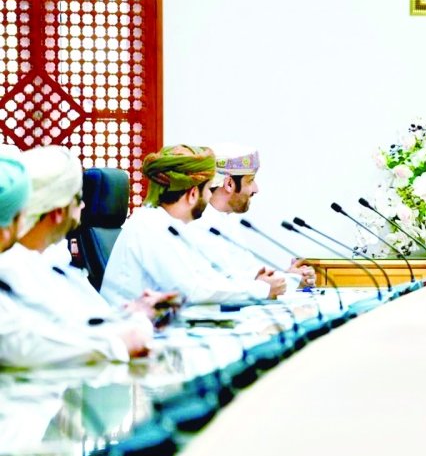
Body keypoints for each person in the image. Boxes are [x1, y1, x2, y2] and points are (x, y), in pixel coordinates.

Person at [0, 150, 147, 367]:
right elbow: (18, 344)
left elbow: (72, 321)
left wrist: (127, 317)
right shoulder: (12, 267)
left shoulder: (47, 258)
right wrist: (115, 344)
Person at [101, 144, 286, 307]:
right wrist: (261, 289)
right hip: (134, 330)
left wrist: (256, 283)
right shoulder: (151, 226)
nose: (209, 197)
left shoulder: (171, 225)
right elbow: (192, 291)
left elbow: (208, 278)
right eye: (208, 190)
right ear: (192, 194)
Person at [189, 143, 315, 287]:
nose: (256, 189)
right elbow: (224, 284)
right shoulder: (198, 223)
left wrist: (288, 277)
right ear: (229, 184)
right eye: (250, 181)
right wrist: (289, 280)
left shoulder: (226, 218)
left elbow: (249, 272)